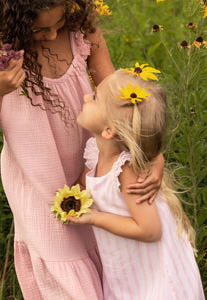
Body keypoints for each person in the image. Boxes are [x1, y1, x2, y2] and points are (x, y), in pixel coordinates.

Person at [0, 0, 163, 298]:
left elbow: (122, 106)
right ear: (14, 19)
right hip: (39, 192)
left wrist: (153, 156)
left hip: (95, 178)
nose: (50, 35)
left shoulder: (81, 33)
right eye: (38, 29)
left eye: (57, 24)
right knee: (69, 285)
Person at [68, 69, 205, 299]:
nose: (85, 98)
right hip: (128, 263)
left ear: (109, 130)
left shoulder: (126, 171)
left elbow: (149, 230)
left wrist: (93, 217)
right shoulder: (95, 153)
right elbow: (83, 185)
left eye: (94, 98)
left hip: (152, 266)